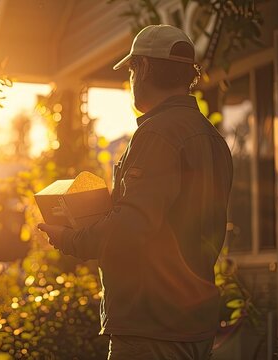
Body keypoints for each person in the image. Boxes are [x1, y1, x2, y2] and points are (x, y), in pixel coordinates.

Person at [38, 24, 233, 360]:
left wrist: (71, 238)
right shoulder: (211, 138)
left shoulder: (158, 134)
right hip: (191, 324)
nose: (130, 79)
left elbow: (132, 225)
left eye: (130, 69)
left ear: (141, 68)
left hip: (151, 326)